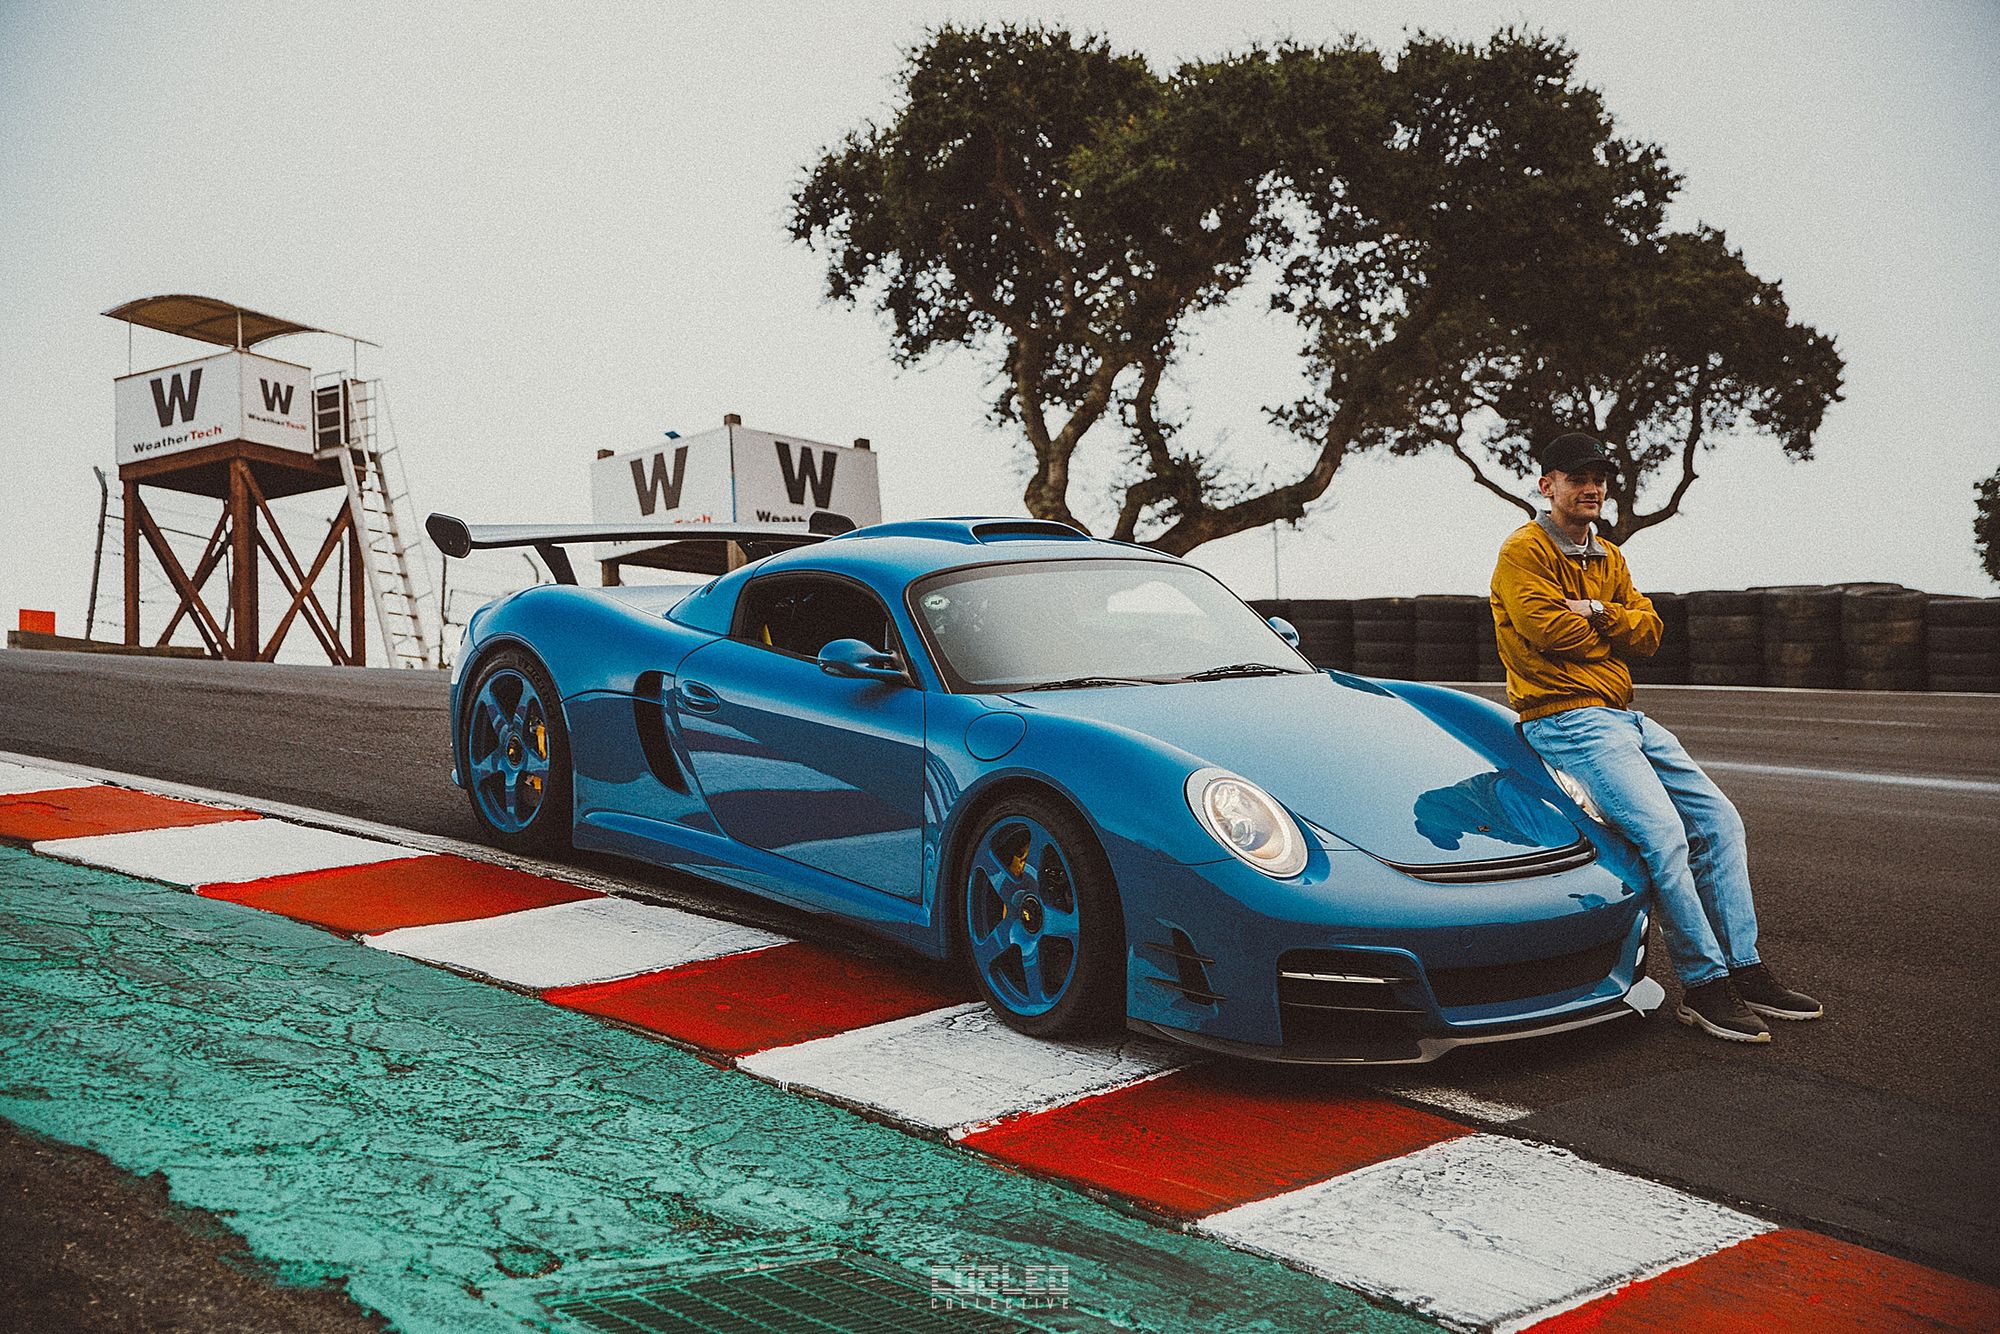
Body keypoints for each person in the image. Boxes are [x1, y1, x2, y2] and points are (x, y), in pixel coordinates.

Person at [1489, 432, 1822, 1043]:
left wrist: (1595, 613)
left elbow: (1648, 634)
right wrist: (1605, 624)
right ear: (1547, 485)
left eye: (1600, 478)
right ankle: (1705, 984)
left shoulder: (1608, 556)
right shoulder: (1523, 551)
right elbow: (1546, 632)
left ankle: (1745, 968)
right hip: (1564, 715)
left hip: (1621, 713)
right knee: (1663, 836)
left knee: (1720, 822)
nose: (1592, 488)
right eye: (1577, 477)